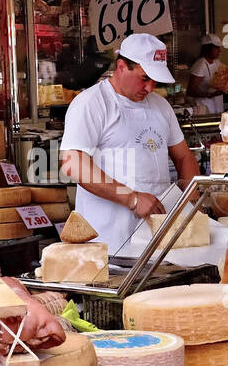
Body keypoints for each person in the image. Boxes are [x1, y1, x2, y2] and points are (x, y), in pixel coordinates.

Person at [60, 34, 200, 249]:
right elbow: (73, 164)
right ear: (122, 66)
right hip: (108, 242)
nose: (150, 87)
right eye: (144, 78)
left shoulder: (161, 106)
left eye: (155, 80)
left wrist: (191, 203)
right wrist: (131, 198)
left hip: (158, 240)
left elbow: (183, 157)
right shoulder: (91, 103)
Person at [188, 34, 225, 115]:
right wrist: (209, 94)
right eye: (216, 48)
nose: (219, 51)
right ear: (208, 48)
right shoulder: (201, 64)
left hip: (217, 108)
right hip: (204, 109)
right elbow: (191, 91)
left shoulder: (217, 62)